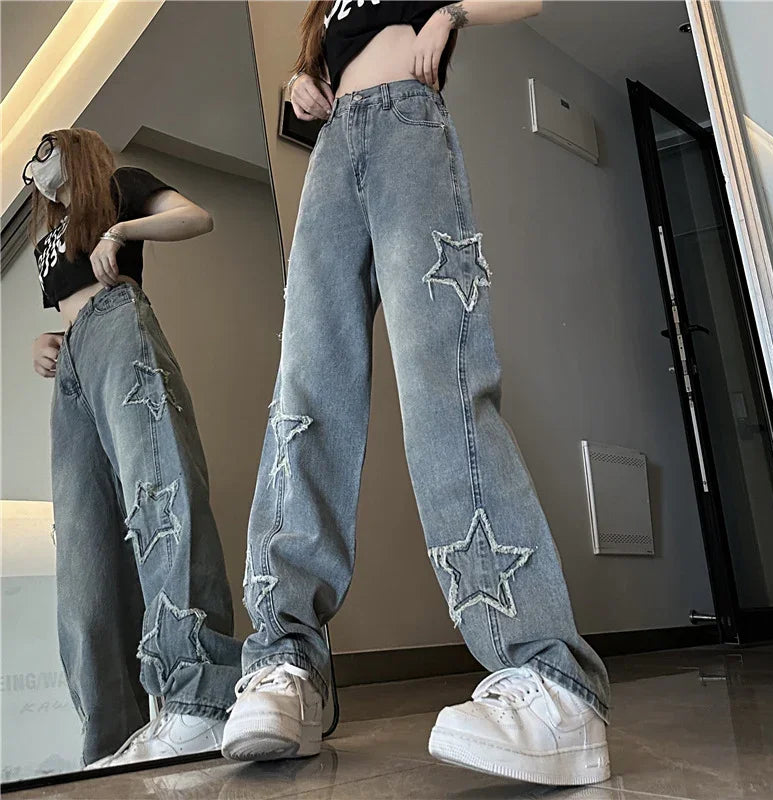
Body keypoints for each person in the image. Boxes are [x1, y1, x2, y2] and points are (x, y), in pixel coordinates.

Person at [223, 1, 611, 786]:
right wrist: (308, 82)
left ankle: (551, 679)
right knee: (304, 393)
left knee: (445, 382)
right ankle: (287, 663)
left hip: (409, 127)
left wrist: (451, 13)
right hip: (335, 152)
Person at [26, 128, 241, 767]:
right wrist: (45, 341)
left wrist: (122, 233)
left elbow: (195, 217)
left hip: (120, 325)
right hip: (74, 368)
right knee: (85, 550)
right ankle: (110, 745)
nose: (37, 167)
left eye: (45, 150)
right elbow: (68, 305)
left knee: (160, 496)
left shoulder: (119, 188)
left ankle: (200, 699)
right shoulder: (48, 238)